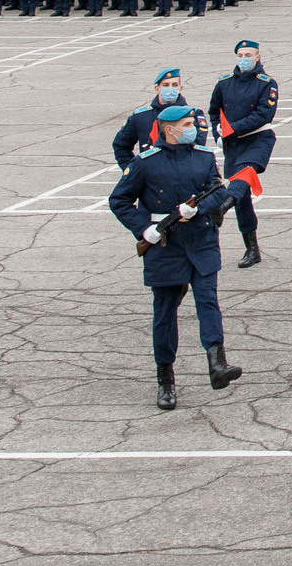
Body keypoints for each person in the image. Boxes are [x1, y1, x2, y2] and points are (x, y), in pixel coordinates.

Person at [108, 103, 244, 410]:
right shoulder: (145, 163)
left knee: (208, 301)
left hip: (201, 239)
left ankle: (217, 364)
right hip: (165, 245)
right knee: (165, 312)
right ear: (169, 130)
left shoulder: (203, 157)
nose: (192, 129)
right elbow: (119, 200)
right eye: (186, 125)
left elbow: (218, 192)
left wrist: (199, 209)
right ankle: (165, 380)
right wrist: (144, 230)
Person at [208, 40, 278, 268]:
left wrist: (233, 129)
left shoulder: (266, 83)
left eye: (248, 54)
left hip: (258, 140)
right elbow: (214, 111)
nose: (243, 58)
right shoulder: (224, 83)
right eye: (240, 54)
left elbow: (263, 115)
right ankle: (252, 249)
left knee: (244, 174)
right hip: (232, 145)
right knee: (243, 199)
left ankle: (223, 205)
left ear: (258, 57)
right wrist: (218, 133)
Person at [114, 67, 188, 169]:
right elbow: (121, 145)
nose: (170, 88)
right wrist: (133, 172)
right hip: (152, 178)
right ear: (157, 89)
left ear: (180, 88)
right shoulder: (140, 117)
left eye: (174, 85)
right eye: (166, 85)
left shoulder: (191, 116)